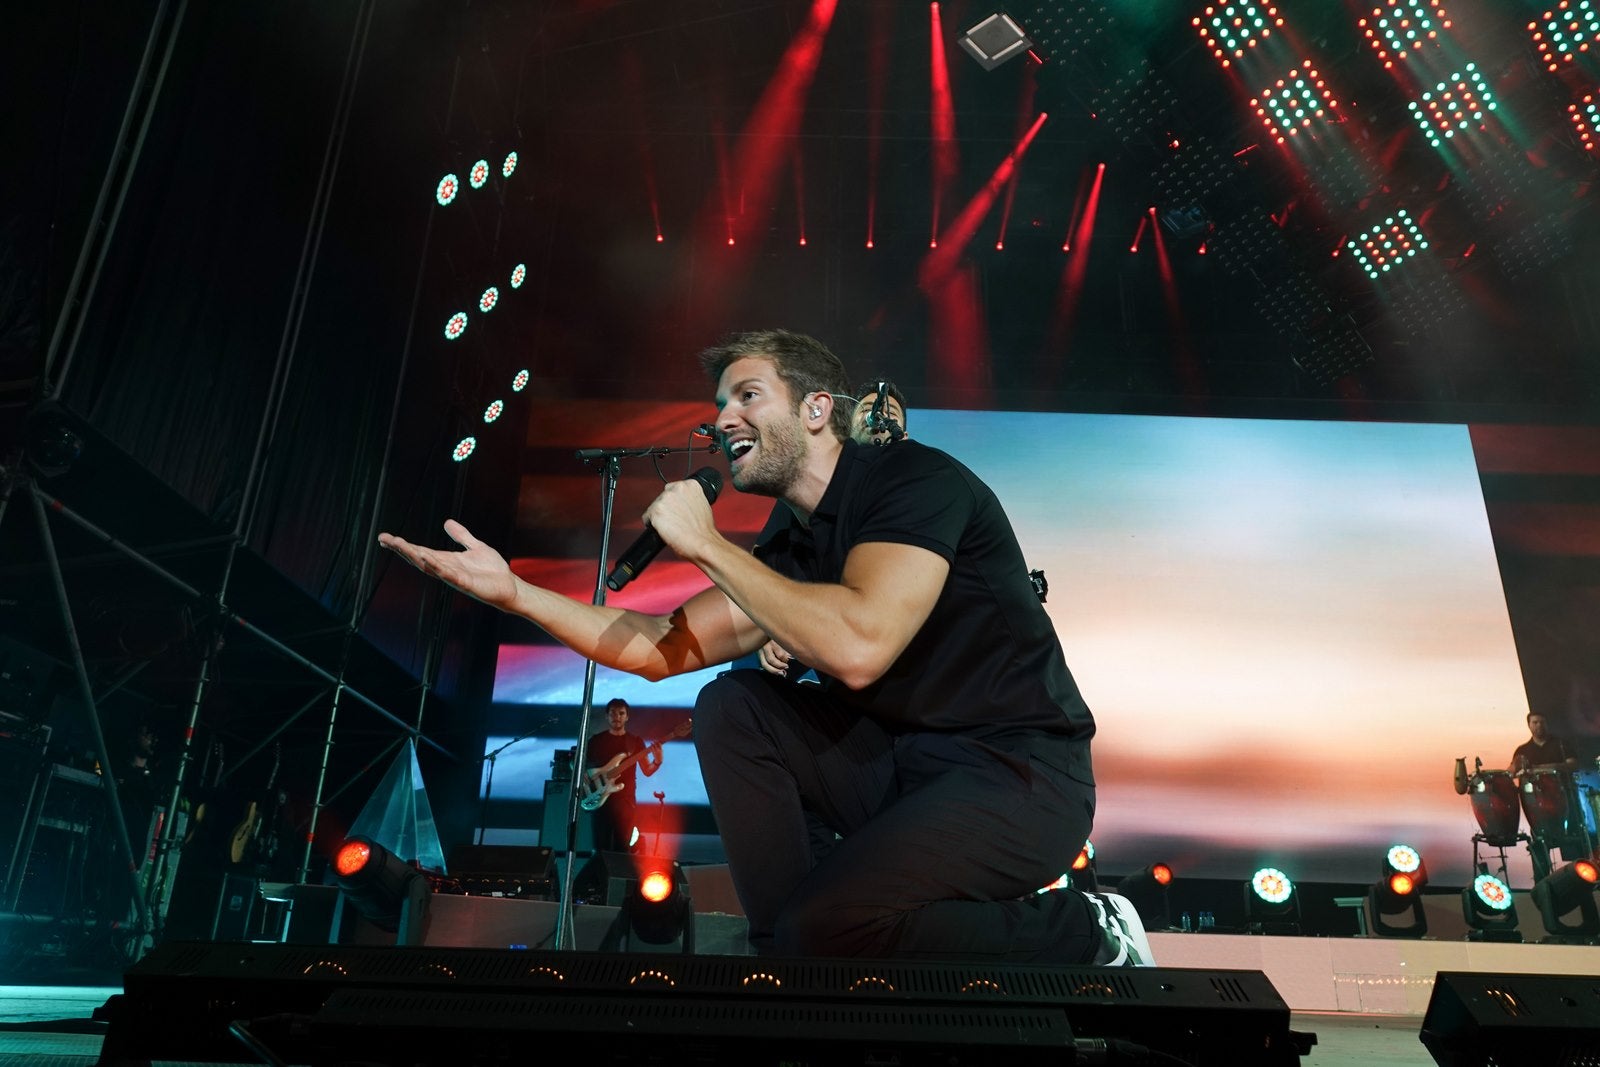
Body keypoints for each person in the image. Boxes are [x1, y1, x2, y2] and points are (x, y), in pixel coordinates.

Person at [378, 328, 1144, 965]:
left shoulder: (915, 482)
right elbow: (655, 649)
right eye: (717, 404)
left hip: (1020, 776)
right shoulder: (789, 542)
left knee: (829, 925)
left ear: (818, 409)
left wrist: (709, 548)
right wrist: (514, 591)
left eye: (747, 396)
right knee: (733, 705)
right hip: (906, 768)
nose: (722, 419)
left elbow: (859, 645)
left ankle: (1089, 931)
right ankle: (793, 959)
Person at [758, 379, 910, 679]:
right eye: (867, 410)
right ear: (849, 429)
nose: (878, 417)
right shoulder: (812, 488)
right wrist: (766, 630)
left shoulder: (918, 485)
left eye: (890, 414)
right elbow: (765, 561)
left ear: (903, 434)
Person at [583, 697, 662, 852]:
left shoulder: (635, 742)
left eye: (621, 713)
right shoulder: (596, 741)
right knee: (600, 848)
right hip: (600, 800)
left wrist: (657, 761)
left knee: (623, 848)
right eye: (612, 713)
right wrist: (584, 775)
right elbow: (580, 765)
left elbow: (647, 770)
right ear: (607, 716)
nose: (616, 717)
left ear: (627, 717)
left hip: (625, 802)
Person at [1510, 711, 1581, 776]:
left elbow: (1573, 765)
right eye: (1535, 722)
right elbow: (1511, 772)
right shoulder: (1522, 750)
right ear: (1529, 725)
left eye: (1542, 722)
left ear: (1547, 724)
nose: (1539, 725)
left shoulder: (1561, 743)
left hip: (1560, 788)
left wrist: (1539, 768)